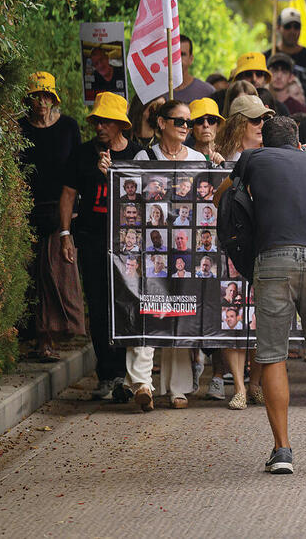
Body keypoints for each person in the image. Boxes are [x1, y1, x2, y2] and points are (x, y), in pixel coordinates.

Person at [215, 116, 306, 468]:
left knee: (273, 355)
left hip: (273, 258)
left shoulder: (253, 158)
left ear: (264, 142)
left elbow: (220, 196)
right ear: (299, 142)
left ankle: (283, 451)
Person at [59, 92, 143, 400]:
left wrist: (116, 177)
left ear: (121, 125)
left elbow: (147, 200)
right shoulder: (82, 154)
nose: (100, 127)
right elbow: (68, 194)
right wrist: (66, 234)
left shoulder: (137, 154)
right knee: (98, 304)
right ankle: (107, 374)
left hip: (129, 244)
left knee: (126, 304)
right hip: (93, 239)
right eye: (97, 120)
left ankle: (125, 373)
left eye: (106, 121)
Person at [127, 100, 205, 411]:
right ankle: (142, 383)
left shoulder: (199, 159)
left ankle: (178, 388)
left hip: (185, 249)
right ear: (161, 124)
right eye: (179, 121)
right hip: (150, 248)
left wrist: (215, 165)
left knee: (179, 312)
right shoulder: (144, 157)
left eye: (189, 122)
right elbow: (129, 195)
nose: (186, 127)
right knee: (147, 308)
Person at [19, 72, 85, 362]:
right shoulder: (19, 129)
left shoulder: (68, 127)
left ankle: (53, 337)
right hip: (28, 210)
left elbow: (78, 172)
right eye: (36, 96)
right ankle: (38, 337)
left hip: (62, 209)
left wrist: (73, 215)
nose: (41, 102)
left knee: (57, 273)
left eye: (46, 96)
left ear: (54, 98)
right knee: (34, 275)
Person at [264, 8, 306, 92]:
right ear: (278, 28)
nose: (292, 31)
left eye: (296, 27)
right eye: (287, 26)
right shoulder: (267, 57)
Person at [215, 94, 274, 161]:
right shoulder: (221, 158)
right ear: (238, 123)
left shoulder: (273, 156)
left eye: (266, 119)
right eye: (255, 119)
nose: (262, 125)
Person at [172, 35, 215, 102]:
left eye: (182, 54)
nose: (177, 59)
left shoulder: (207, 92)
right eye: (173, 54)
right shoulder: (157, 92)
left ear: (191, 59)